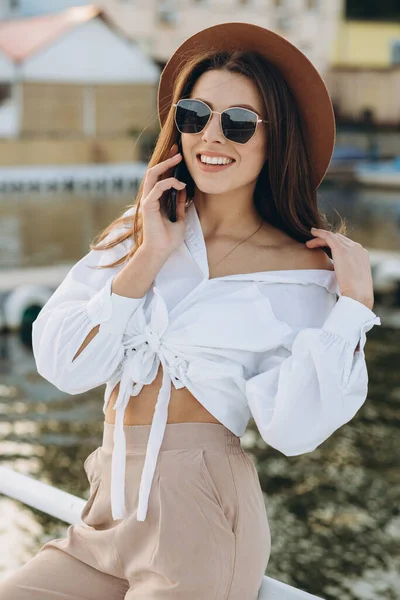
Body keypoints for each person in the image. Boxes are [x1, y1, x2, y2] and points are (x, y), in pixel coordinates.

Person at [0, 22, 381, 600]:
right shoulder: (139, 234)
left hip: (200, 521)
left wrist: (352, 310)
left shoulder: (305, 274)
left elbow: (295, 431)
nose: (212, 136)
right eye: (196, 114)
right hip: (103, 517)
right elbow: (63, 364)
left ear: (275, 139)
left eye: (238, 122)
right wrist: (150, 255)